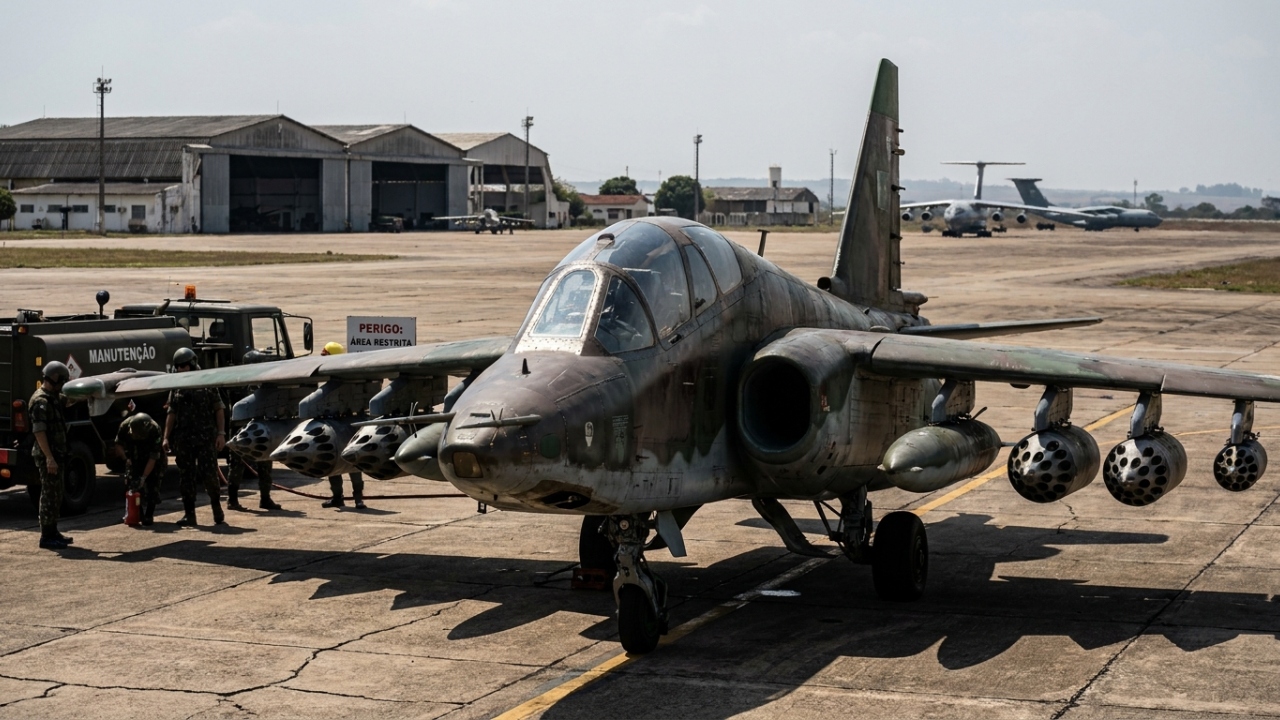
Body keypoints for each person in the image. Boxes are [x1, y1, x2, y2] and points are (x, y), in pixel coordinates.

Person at [162, 347, 227, 526]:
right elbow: (172, 412)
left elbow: (219, 408)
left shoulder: (206, 381)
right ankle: (189, 514)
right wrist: (166, 437)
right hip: (184, 439)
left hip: (205, 438)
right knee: (186, 477)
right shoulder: (176, 385)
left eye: (184, 365)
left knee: (209, 475)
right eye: (178, 366)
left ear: (192, 363)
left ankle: (216, 509)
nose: (181, 369)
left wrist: (221, 434)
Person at [30, 361, 73, 549]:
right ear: (55, 379)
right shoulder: (40, 401)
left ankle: (53, 531)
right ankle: (46, 536)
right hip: (49, 456)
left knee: (56, 494)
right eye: (62, 381)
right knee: (49, 494)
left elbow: (68, 399)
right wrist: (49, 458)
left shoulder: (53, 397)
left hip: (57, 454)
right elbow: (39, 432)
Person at [319, 341, 366, 510]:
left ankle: (358, 499)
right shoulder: (331, 379)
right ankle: (339, 498)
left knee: (353, 461)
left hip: (346, 424)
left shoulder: (347, 380)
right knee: (333, 461)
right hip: (335, 423)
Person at [115, 412, 165, 526]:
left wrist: (143, 477)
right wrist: (126, 459)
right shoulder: (125, 425)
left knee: (153, 482)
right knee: (132, 483)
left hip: (150, 456)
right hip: (133, 454)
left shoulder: (155, 429)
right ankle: (138, 513)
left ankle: (149, 514)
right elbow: (118, 444)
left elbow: (153, 458)